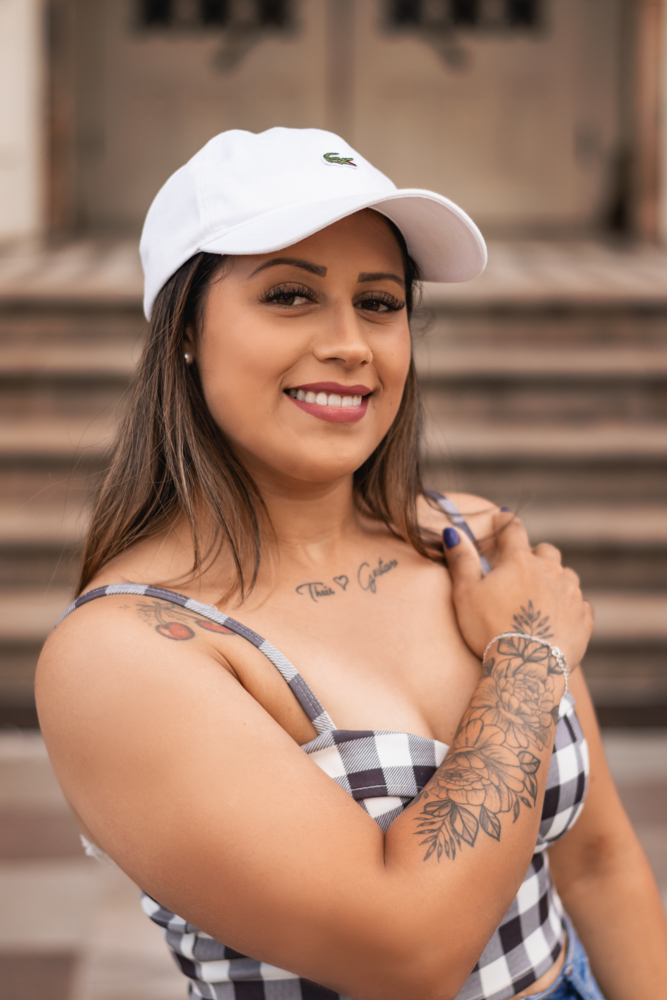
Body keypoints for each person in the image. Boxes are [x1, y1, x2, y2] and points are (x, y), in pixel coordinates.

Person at [36, 128, 667, 1000]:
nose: (350, 344)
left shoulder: (471, 541)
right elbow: (407, 954)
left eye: (378, 302)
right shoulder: (125, 651)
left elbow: (598, 863)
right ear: (184, 329)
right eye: (290, 295)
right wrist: (526, 658)